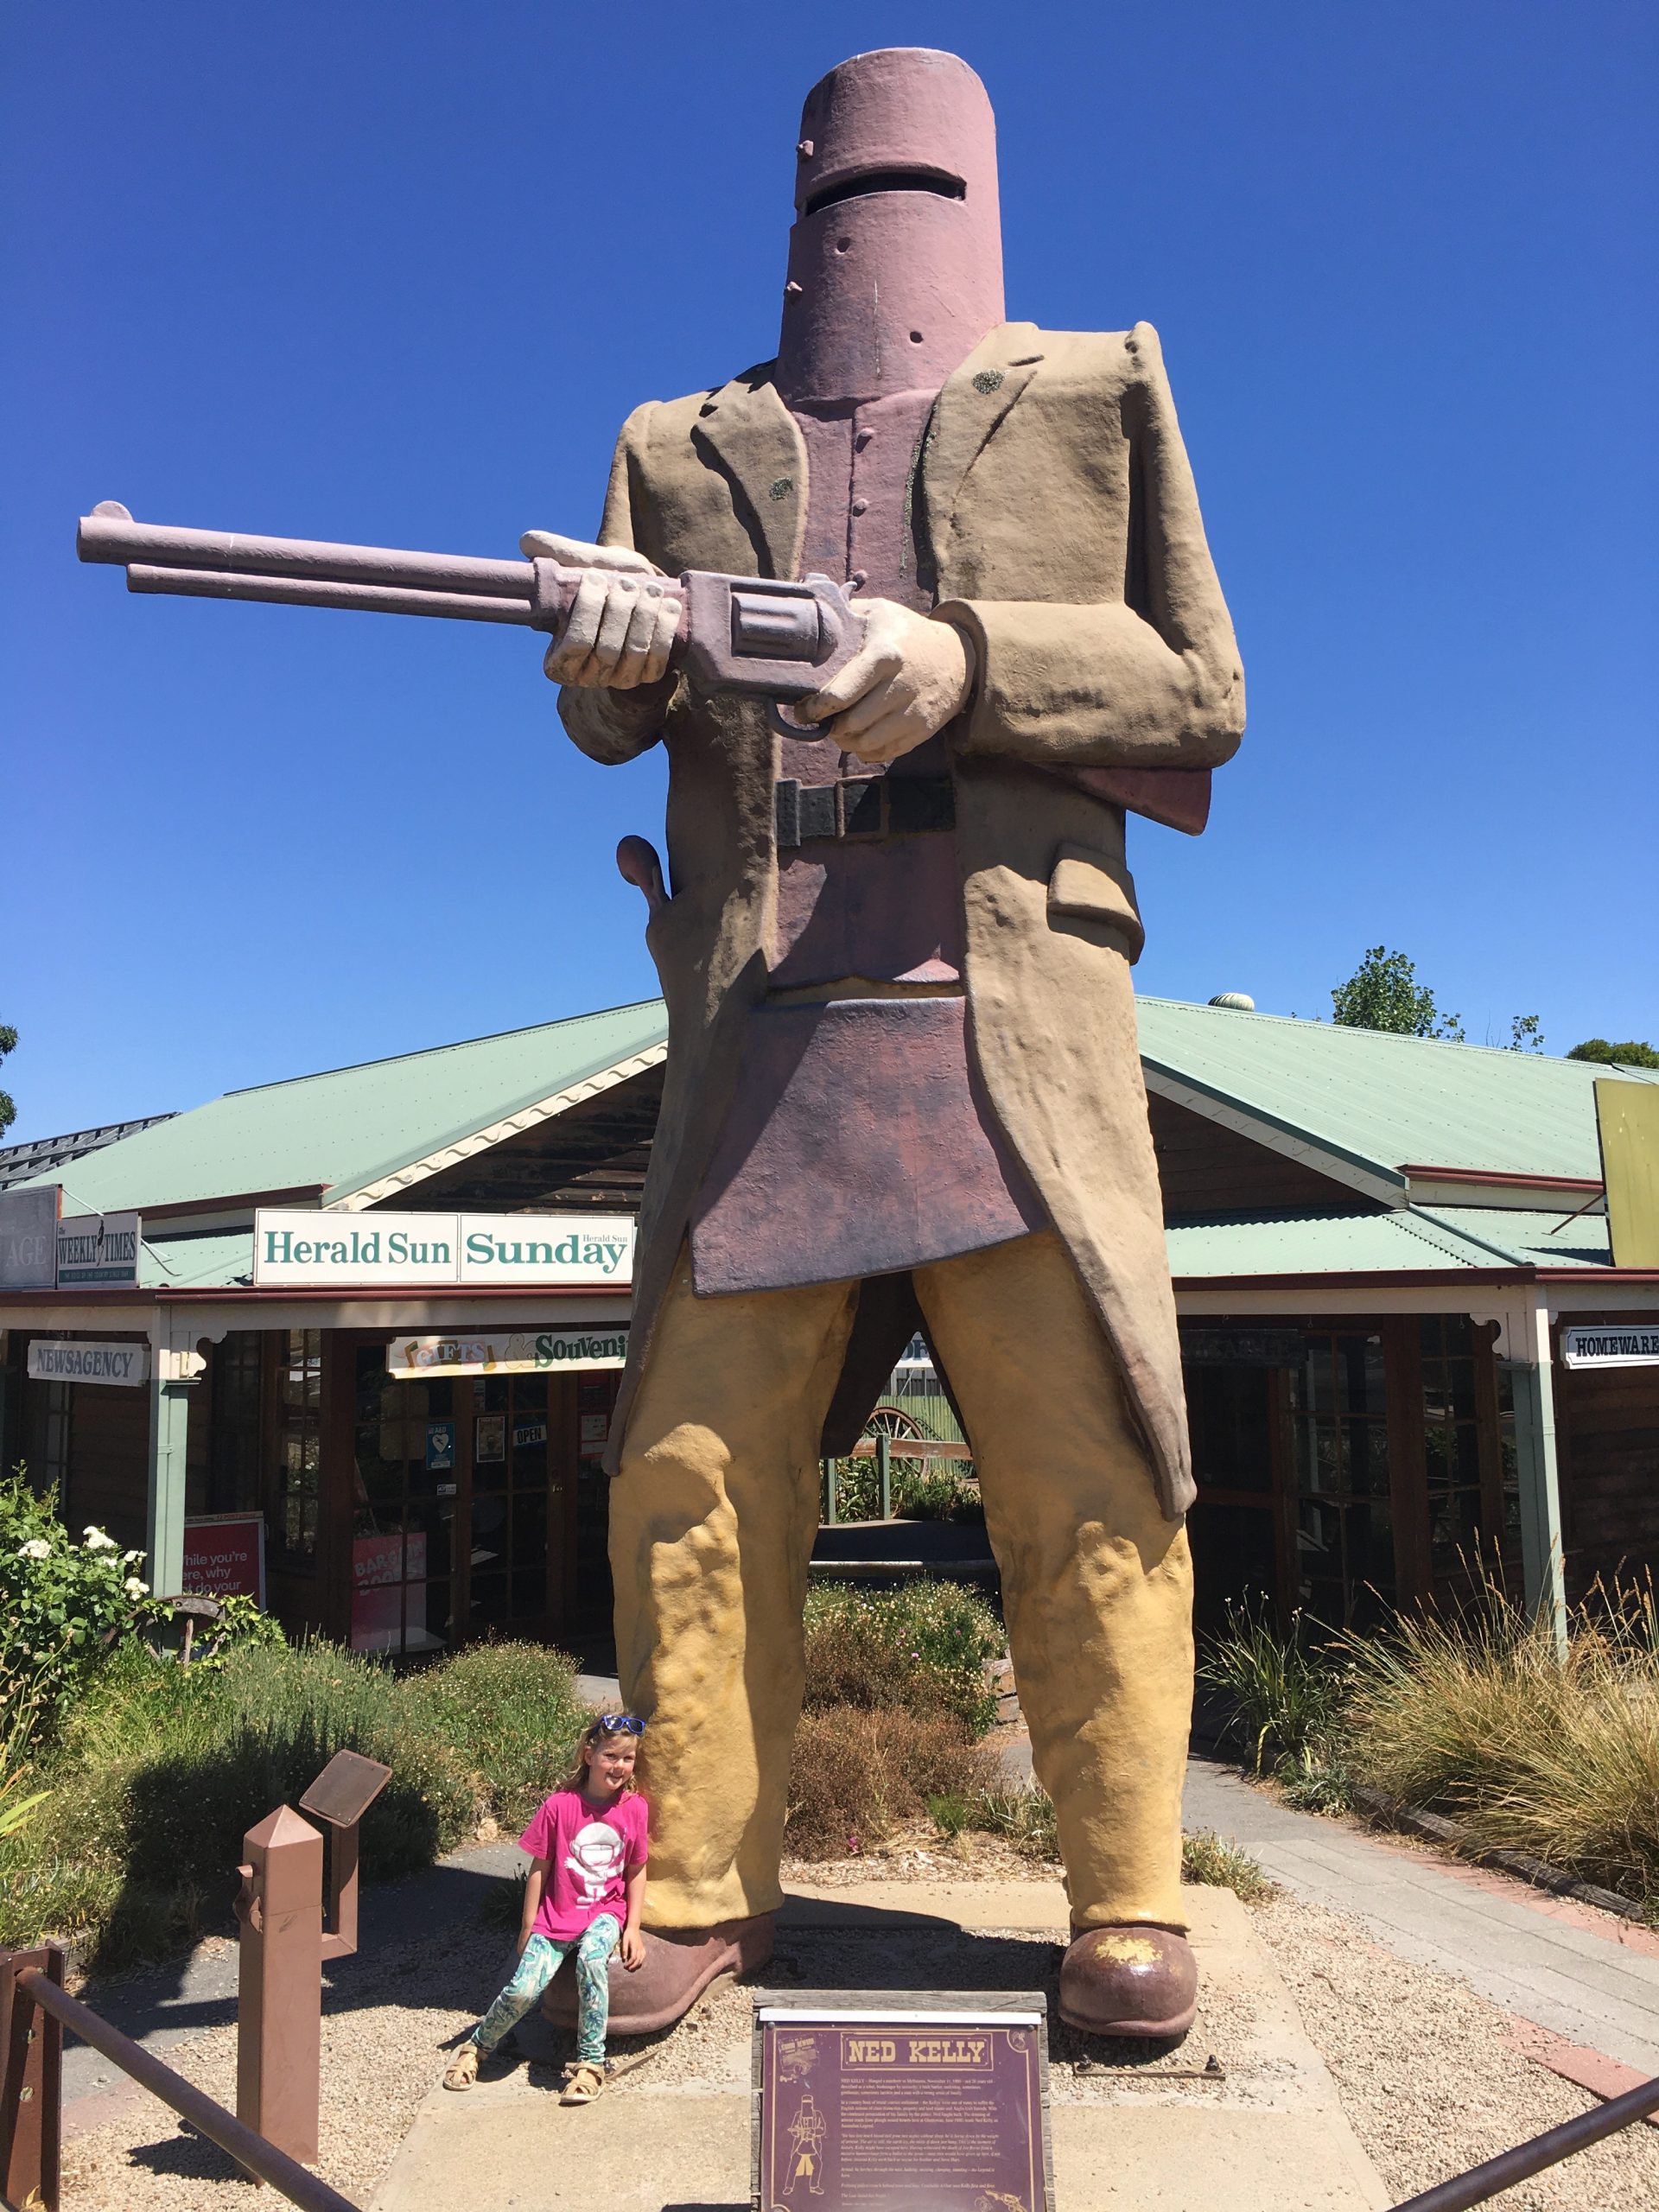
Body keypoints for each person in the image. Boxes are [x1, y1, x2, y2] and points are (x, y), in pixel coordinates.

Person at [537, 46, 1243, 2042]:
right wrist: (602, 652)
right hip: (764, 1044)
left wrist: (966, 659)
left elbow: (1199, 691)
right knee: (687, 1465)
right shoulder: (669, 445)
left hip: (1011, 1037)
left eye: (902, 185)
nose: (876, 227)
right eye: (859, 190)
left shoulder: (1099, 388)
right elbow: (615, 705)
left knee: (1089, 1461)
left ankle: (1124, 1890)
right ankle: (693, 1882)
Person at [442, 1715, 649, 2103]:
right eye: (610, 1756)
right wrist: (528, 1925)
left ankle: (590, 2063)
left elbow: (636, 1870)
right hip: (556, 1916)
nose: (619, 1766)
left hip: (606, 1912)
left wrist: (633, 1927)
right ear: (589, 1755)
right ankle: (477, 2046)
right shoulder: (559, 1807)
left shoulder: (634, 1809)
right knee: (523, 1988)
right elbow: (540, 1869)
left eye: (628, 1758)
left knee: (592, 1962)